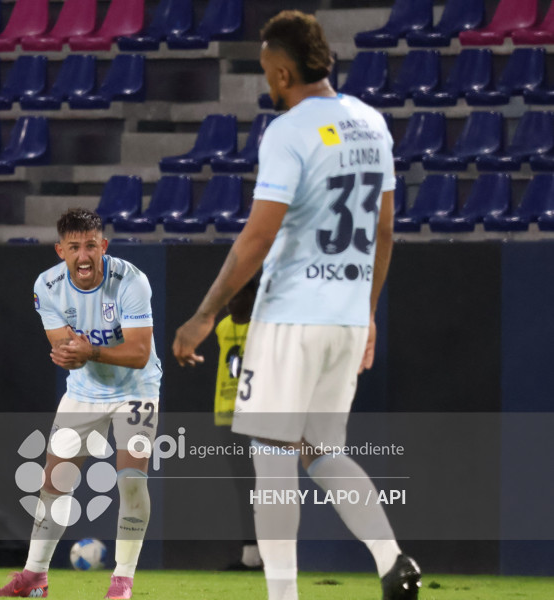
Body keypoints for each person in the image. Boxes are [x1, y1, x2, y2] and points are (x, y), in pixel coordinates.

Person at [173, 10, 421, 600]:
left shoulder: (287, 132)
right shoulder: (371, 123)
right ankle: (393, 562)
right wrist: (367, 312)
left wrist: (206, 313)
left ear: (283, 72)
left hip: (289, 315)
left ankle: (283, 596)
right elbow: (385, 231)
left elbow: (257, 237)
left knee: (272, 460)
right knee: (322, 452)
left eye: (266, 73)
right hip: (343, 316)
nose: (266, 83)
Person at [0, 208, 162, 600]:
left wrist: (90, 352)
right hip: (83, 393)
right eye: (75, 247)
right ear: (60, 250)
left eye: (91, 246)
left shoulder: (131, 281)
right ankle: (34, 578)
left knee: (131, 480)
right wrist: (76, 354)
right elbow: (64, 348)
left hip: (137, 389)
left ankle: (122, 582)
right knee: (55, 482)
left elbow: (138, 352)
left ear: (105, 246)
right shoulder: (46, 286)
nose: (84, 256)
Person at [213, 277, 262, 570]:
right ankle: (251, 555)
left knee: (264, 485)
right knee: (244, 485)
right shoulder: (222, 328)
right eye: (229, 296)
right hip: (226, 417)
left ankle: (268, 554)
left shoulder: (263, 330)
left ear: (253, 298)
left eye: (238, 296)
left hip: (257, 417)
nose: (231, 302)